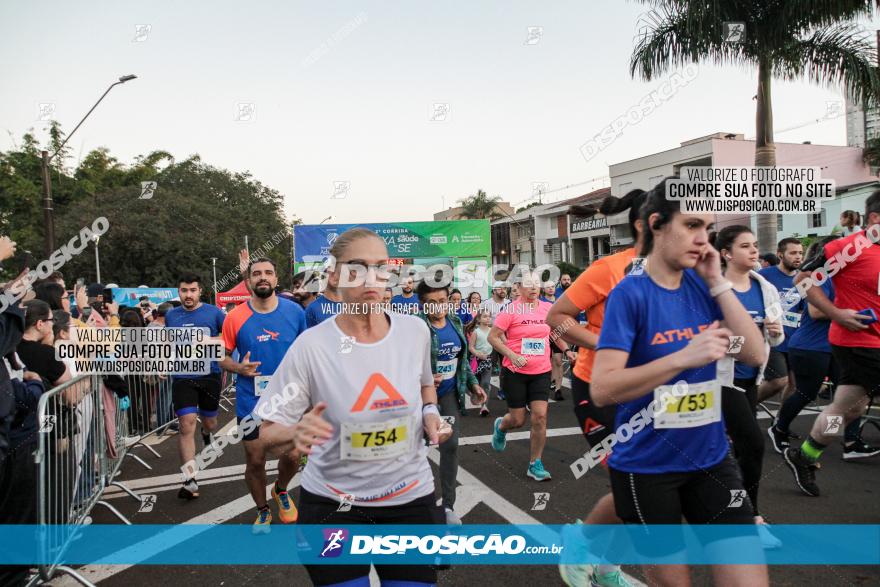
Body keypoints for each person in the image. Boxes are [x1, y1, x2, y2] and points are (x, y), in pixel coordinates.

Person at [590, 180, 768, 587]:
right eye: (691, 225)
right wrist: (683, 357)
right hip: (647, 467)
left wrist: (718, 282)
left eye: (707, 228)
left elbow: (754, 354)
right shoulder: (630, 294)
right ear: (656, 224)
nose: (703, 239)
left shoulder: (704, 285)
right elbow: (604, 388)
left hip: (711, 460)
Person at [257, 227, 451, 587]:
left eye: (380, 266)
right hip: (333, 506)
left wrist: (429, 414)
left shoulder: (415, 331)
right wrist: (295, 434)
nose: (371, 277)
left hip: (410, 501)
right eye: (357, 267)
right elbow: (265, 431)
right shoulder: (311, 347)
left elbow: (426, 385)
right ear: (334, 276)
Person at [548, 188, 646, 587]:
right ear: (649, 224)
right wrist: (606, 342)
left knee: (647, 491)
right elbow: (558, 318)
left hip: (652, 394)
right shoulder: (611, 268)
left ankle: (607, 566)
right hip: (599, 388)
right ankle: (583, 543)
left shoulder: (686, 273)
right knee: (634, 484)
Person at [784, 192, 880, 496]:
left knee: (847, 408)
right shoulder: (850, 247)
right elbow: (803, 279)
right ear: (875, 219)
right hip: (857, 341)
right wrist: (836, 313)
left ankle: (806, 455)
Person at [219, 257, 307, 532]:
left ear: (276, 279)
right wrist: (237, 367)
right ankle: (262, 509)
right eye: (256, 274)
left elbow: (308, 352)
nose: (262, 277)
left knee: (293, 456)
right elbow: (219, 355)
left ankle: (280, 489)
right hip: (251, 403)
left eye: (268, 272)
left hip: (290, 401)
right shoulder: (235, 317)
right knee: (255, 460)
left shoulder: (295, 312)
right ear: (248, 281)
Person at [768, 237, 876, 459]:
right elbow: (815, 312)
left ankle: (849, 441)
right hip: (811, 346)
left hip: (839, 347)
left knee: (850, 402)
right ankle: (779, 428)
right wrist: (844, 313)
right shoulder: (822, 277)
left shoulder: (851, 278)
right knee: (807, 393)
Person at [712, 225, 785, 548]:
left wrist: (772, 331)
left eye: (756, 245)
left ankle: (730, 507)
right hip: (719, 380)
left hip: (750, 378)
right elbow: (705, 340)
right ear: (726, 253)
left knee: (740, 449)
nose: (754, 251)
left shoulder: (764, 287)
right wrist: (742, 342)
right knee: (754, 445)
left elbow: (778, 338)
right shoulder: (714, 288)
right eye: (746, 246)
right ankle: (750, 517)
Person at [416, 279, 487, 525]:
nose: (439, 307)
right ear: (423, 305)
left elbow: (462, 360)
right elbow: (401, 364)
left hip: (448, 395)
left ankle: (448, 506)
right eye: (432, 303)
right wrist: (422, 378)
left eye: (443, 301)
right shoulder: (416, 328)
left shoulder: (456, 322)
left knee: (451, 445)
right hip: (419, 399)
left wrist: (473, 385)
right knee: (416, 450)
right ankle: (412, 504)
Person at [489, 271, 563, 481]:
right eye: (529, 284)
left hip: (541, 371)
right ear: (519, 287)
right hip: (515, 372)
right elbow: (493, 338)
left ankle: (535, 463)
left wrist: (567, 350)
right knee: (518, 419)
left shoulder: (548, 308)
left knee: (540, 417)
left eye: (536, 284)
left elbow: (555, 334)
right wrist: (512, 355)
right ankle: (501, 427)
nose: (533, 288)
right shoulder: (511, 310)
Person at [165, 273, 226, 500]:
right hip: (182, 377)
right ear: (179, 292)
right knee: (185, 425)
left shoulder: (214, 313)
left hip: (209, 375)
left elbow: (227, 338)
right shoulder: (172, 315)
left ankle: (207, 432)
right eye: (184, 290)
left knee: (210, 421)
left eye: (192, 290)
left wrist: (206, 341)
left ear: (200, 291)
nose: (188, 295)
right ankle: (189, 479)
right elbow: (169, 343)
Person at [757, 237, 805, 404]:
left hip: (794, 340)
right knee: (778, 381)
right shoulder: (763, 276)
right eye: (793, 253)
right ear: (780, 255)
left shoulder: (803, 279)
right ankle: (745, 408)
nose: (798, 257)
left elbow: (802, 310)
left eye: (800, 253)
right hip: (771, 338)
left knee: (795, 385)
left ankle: (779, 425)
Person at [466, 310, 494, 417]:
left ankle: (484, 406)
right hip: (476, 361)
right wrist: (477, 353)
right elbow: (471, 347)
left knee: (486, 383)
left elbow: (498, 343)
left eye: (489, 316)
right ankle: (475, 394)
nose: (487, 318)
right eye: (485, 316)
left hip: (487, 361)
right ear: (479, 319)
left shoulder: (492, 331)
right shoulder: (476, 332)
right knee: (475, 384)